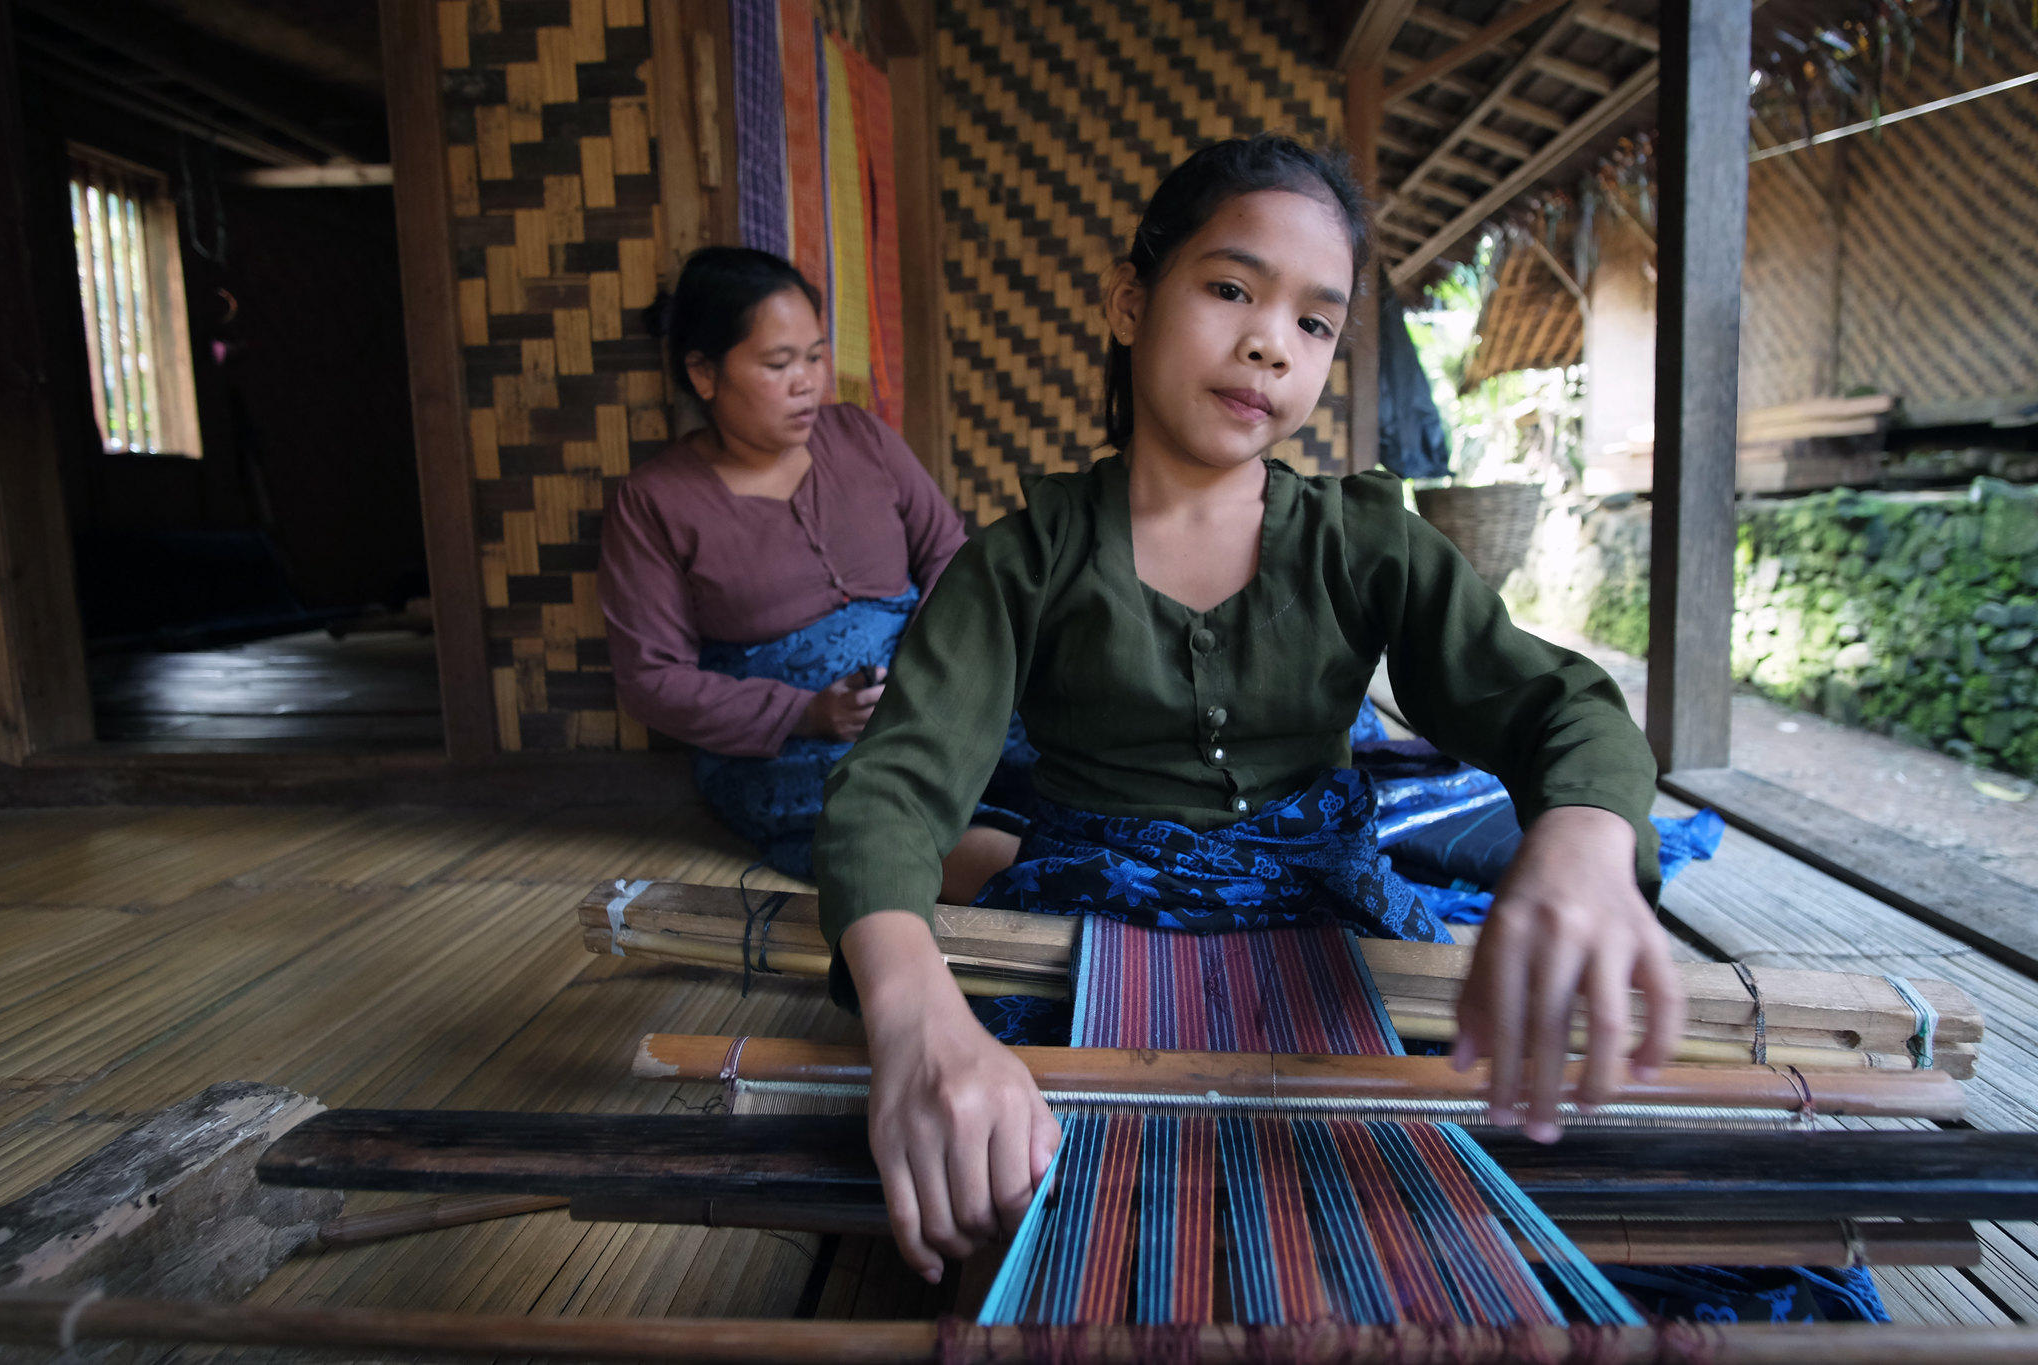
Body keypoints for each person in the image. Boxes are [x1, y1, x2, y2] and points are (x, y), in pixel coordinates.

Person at [812, 136, 1687, 1286]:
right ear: (1131, 301)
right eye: (1229, 288)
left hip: (1326, 918)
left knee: (1540, 1192)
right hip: (1088, 928)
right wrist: (915, 1015)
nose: (1269, 341)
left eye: (1313, 323)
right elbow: (893, 790)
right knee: (1024, 1199)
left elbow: (1555, 704)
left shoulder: (1368, 546)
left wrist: (1579, 839)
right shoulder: (1018, 564)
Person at [599, 246, 1029, 893]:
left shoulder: (860, 435)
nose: (808, 381)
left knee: (1049, 747)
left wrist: (933, 660)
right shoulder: (655, 502)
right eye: (779, 363)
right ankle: (1004, 872)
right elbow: (650, 680)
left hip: (933, 694)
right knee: (899, 812)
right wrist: (806, 711)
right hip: (793, 749)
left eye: (815, 355)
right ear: (704, 372)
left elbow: (949, 551)